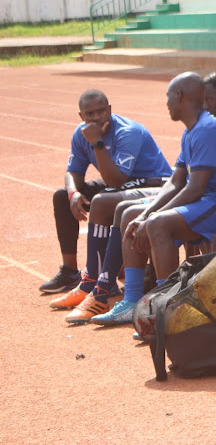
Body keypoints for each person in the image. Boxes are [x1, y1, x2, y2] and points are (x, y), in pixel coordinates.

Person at [85, 71, 216, 326]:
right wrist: (145, 214)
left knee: (157, 225)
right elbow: (176, 181)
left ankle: (168, 309)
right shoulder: (191, 131)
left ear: (179, 96)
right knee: (131, 215)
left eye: (168, 96)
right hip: (208, 202)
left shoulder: (208, 128)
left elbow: (196, 188)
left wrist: (153, 217)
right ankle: (133, 301)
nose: (166, 103)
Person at [40, 89, 173, 296]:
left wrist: (96, 143)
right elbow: (73, 172)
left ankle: (104, 278)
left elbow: (116, 180)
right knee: (62, 196)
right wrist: (73, 193)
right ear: (81, 116)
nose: (95, 118)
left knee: (103, 200)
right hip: (123, 182)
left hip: (153, 183)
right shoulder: (81, 133)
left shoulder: (127, 132)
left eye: (101, 112)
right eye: (89, 114)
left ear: (109, 110)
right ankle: (69, 272)